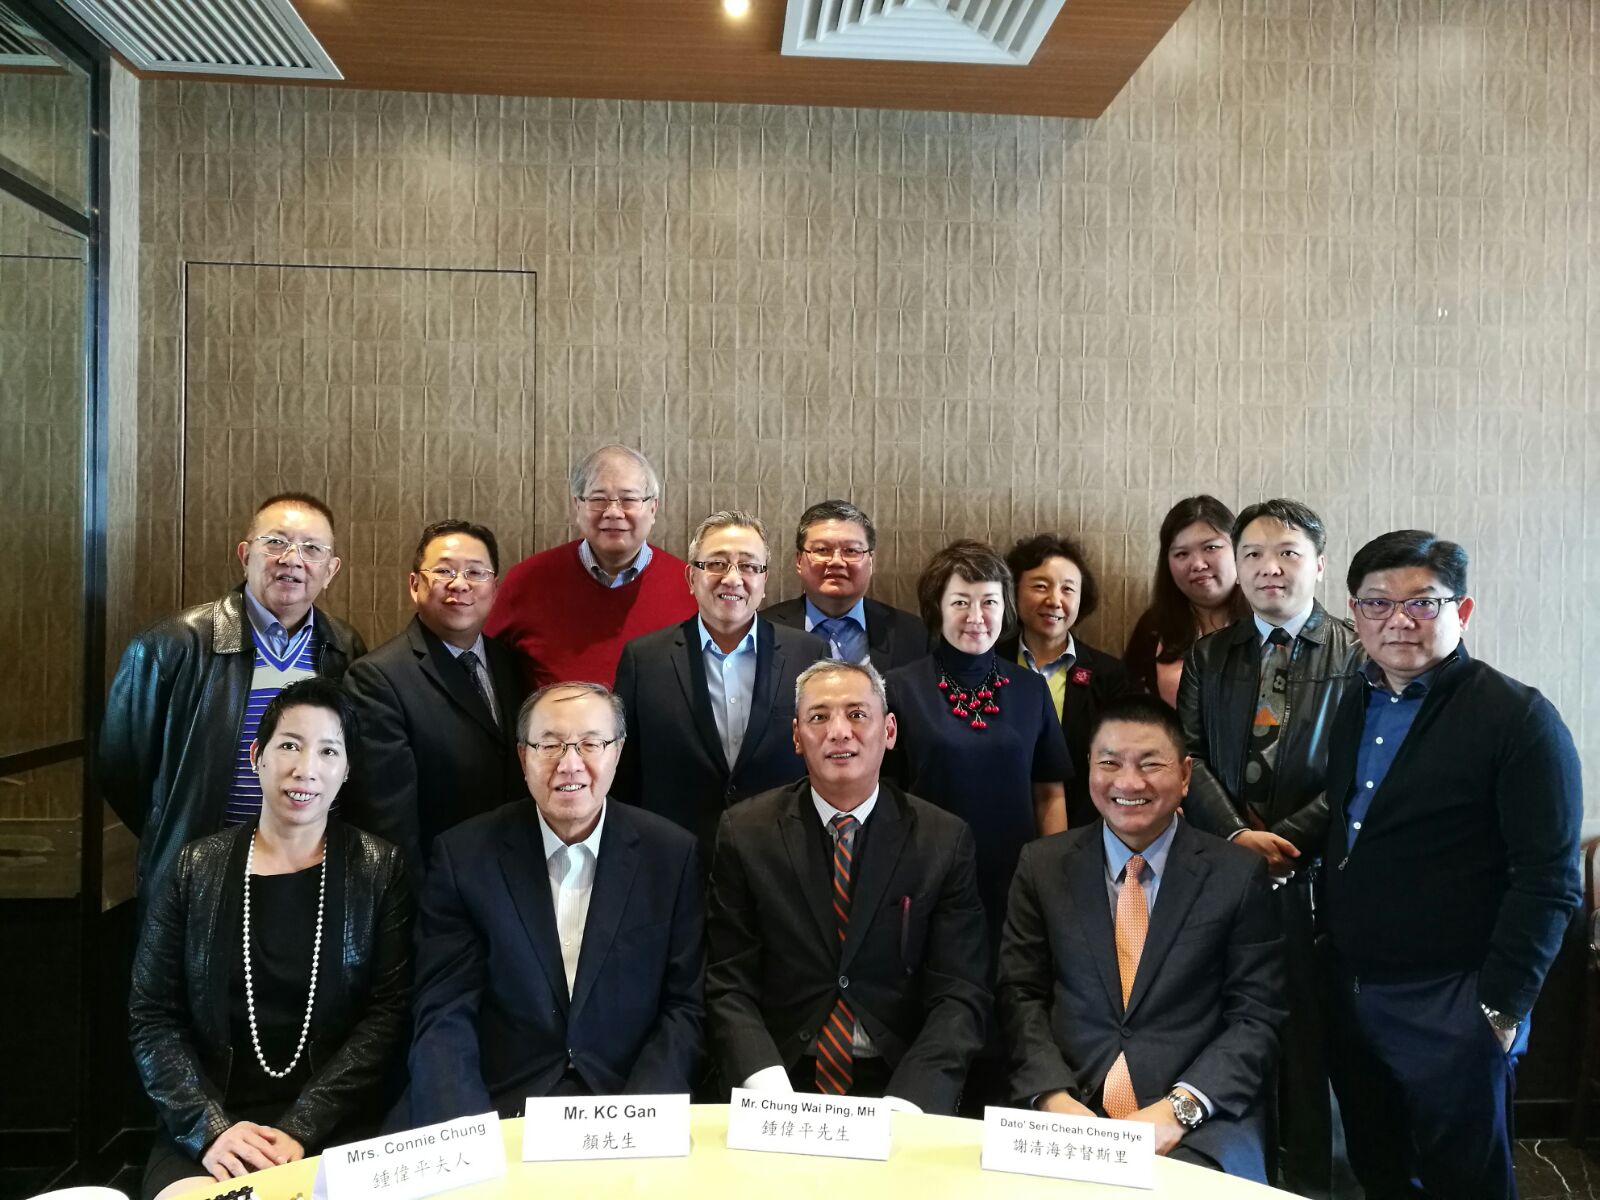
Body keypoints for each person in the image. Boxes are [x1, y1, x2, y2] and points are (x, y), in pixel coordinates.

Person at [1322, 530, 1582, 1200]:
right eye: (1377, 603)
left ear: (1461, 612)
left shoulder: (1519, 718)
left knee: (1464, 1181)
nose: (1398, 620)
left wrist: (1498, 1009)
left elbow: (1551, 881)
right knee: (1378, 1168)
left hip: (1453, 1000)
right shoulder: (1355, 701)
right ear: (1355, 614)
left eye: (1422, 602)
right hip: (1353, 989)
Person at [128, 679, 411, 1200]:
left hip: (336, 1123)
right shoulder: (195, 866)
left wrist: (302, 1126)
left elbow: (387, 1015)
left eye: (328, 751)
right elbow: (152, 1015)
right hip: (211, 1125)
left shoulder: (379, 869)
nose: (306, 769)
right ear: (257, 756)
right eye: (289, 745)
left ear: (347, 770)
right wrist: (208, 1127)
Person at [997, 695, 1286, 1182]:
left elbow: (1256, 1017)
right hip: (1068, 1105)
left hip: (1196, 1118)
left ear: (1186, 775)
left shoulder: (1236, 875)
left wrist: (1180, 1108)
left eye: (1150, 764)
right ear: (1089, 768)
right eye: (1109, 763)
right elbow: (1019, 994)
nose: (1128, 783)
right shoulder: (1042, 866)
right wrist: (1051, 1096)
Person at [404, 682, 704, 1122]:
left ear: (618, 752)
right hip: (503, 1103)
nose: (570, 764)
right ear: (522, 757)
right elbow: (444, 1009)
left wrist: (639, 1118)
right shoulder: (464, 856)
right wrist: (467, 1128)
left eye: (590, 744)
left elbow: (684, 1008)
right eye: (549, 745)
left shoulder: (671, 856)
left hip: (626, 1102)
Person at [706, 660, 991, 1113]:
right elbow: (727, 981)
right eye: (819, 717)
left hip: (898, 1079)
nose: (839, 732)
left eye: (857, 714)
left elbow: (960, 993)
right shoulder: (746, 833)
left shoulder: (942, 840)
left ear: (889, 731)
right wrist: (766, 1087)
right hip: (781, 1075)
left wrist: (911, 1098)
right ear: (796, 736)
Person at [1176, 498, 1360, 1198]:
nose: (1268, 567)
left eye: (1286, 553)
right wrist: (1235, 836)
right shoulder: (1209, 654)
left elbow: (1360, 772)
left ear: (1319, 564)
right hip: (1228, 869)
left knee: (1317, 1038)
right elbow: (1189, 754)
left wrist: (1289, 840)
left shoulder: (1357, 651)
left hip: (1321, 874)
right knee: (1232, 1024)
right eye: (1251, 554)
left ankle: (1318, 1180)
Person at [102, 493, 367, 909]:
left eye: (312, 548)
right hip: (199, 872)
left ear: (330, 570)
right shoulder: (169, 646)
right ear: (245, 555)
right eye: (275, 542)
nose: (292, 559)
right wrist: (176, 830)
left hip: (309, 867)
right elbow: (121, 769)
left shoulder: (343, 647)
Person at [612, 511, 828, 855]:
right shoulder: (644, 660)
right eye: (716, 564)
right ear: (691, 577)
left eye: (748, 566)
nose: (732, 578)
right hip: (673, 857)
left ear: (764, 579)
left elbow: (822, 760)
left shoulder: (808, 654)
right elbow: (623, 775)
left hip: (779, 855)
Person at [884, 540, 1070, 940]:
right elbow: (885, 795)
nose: (976, 617)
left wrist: (1054, 878)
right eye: (960, 602)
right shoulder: (899, 688)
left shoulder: (1031, 689)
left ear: (1006, 608)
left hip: (1016, 878)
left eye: (989, 602)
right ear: (937, 608)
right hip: (926, 875)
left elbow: (1049, 793)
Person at [342, 520, 527, 876]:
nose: (460, 584)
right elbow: (387, 820)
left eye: (476, 572)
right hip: (438, 882)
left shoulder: (509, 663)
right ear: (415, 585)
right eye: (444, 571)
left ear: (494, 589)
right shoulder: (376, 678)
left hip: (512, 873)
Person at [485, 444, 697, 688]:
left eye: (629, 499)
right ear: (577, 506)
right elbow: (485, 667)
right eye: (598, 499)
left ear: (653, 507)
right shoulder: (526, 581)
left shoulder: (691, 587)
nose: (613, 512)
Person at [997, 534, 1143, 829]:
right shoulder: (989, 663)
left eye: (1068, 589)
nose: (1054, 600)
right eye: (1040, 586)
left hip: (1085, 829)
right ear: (1013, 591)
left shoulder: (1109, 676)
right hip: (998, 821)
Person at [762, 499, 928, 672]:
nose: (836, 562)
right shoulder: (762, 630)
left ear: (871, 561)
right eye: (822, 550)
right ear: (799, 561)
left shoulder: (915, 635)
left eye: (851, 551)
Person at [1123, 496, 1248, 706]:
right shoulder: (1153, 626)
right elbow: (1128, 708)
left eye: (1211, 548)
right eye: (1182, 553)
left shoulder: (1270, 618)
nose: (1197, 564)